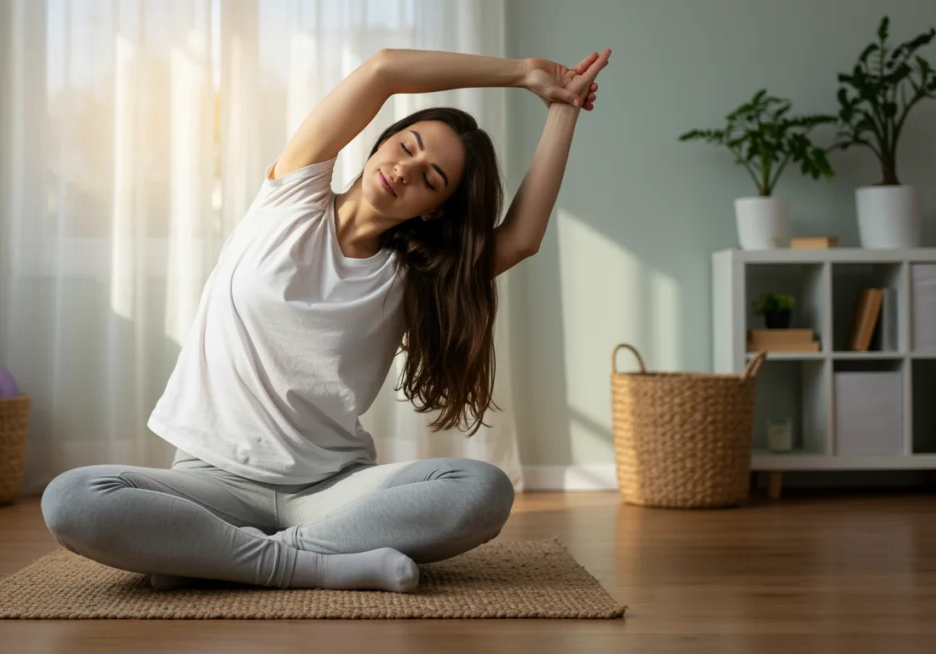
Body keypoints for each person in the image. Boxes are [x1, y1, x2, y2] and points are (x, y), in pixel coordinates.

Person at [42, 47, 610, 593]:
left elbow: (522, 237)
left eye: (431, 177)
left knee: (481, 489)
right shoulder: (291, 195)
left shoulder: (413, 276)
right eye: (407, 146)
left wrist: (564, 109)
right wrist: (523, 73)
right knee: (72, 498)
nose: (407, 169)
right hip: (208, 481)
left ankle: (216, 558)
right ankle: (311, 563)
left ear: (433, 207)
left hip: (331, 489)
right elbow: (384, 70)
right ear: (382, 141)